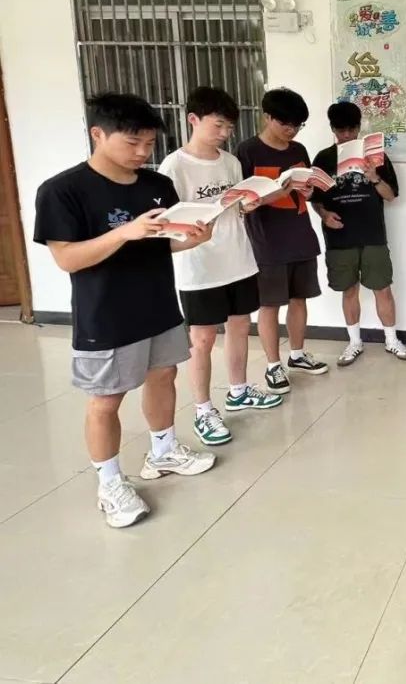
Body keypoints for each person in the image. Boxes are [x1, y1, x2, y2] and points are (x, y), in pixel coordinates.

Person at [33, 93, 216, 528]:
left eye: (149, 143)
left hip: (158, 303)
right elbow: (67, 258)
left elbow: (162, 242)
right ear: (98, 134)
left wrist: (193, 239)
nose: (142, 152)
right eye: (132, 142)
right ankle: (110, 483)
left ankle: (163, 450)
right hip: (106, 314)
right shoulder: (63, 190)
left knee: (164, 375)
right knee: (105, 399)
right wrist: (123, 233)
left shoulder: (157, 185)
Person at [158, 87, 284, 447]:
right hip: (199, 266)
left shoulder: (231, 163)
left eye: (229, 127)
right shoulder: (174, 167)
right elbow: (169, 223)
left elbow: (236, 207)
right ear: (193, 120)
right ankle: (203, 410)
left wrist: (249, 204)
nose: (225, 133)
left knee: (240, 326)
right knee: (202, 339)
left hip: (238, 259)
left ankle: (239, 391)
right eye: (218, 125)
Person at [236, 87, 328, 395]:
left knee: (300, 299)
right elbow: (243, 202)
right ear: (267, 117)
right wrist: (280, 191)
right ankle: (273, 365)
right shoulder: (248, 151)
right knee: (270, 304)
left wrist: (309, 191)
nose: (292, 130)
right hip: (267, 241)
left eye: (298, 125)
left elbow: (306, 190)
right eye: (285, 123)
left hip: (300, 234)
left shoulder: (298, 150)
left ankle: (297, 354)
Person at [311, 101, 406, 365]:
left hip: (372, 235)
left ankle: (391, 340)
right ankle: (354, 342)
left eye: (351, 129)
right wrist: (324, 215)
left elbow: (391, 196)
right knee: (348, 291)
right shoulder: (323, 158)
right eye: (340, 130)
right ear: (333, 129)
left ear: (359, 127)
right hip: (339, 236)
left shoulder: (377, 157)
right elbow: (316, 199)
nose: (346, 135)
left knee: (383, 289)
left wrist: (374, 177)